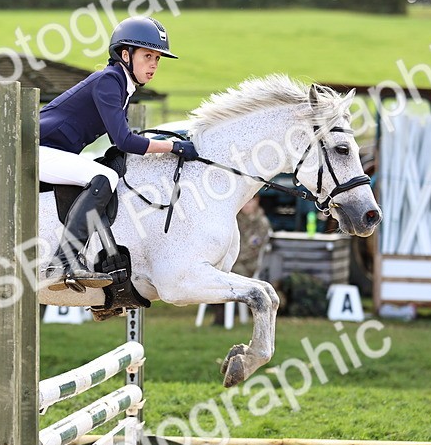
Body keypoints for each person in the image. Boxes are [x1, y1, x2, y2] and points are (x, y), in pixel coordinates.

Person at [37, 16, 198, 292]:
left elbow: (121, 140)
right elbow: (124, 140)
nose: (153, 65)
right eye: (147, 56)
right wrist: (173, 146)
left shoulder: (121, 86)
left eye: (158, 59)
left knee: (106, 173)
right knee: (105, 177)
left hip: (51, 150)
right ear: (125, 54)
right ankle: (64, 261)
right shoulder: (109, 81)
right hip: (35, 150)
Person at [204, 196, 272, 325]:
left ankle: (222, 313)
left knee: (223, 274)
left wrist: (230, 258)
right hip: (231, 262)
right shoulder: (235, 220)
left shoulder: (261, 223)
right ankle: (219, 311)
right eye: (245, 201)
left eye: (250, 201)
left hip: (247, 265)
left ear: (256, 202)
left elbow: (253, 249)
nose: (247, 205)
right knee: (211, 273)